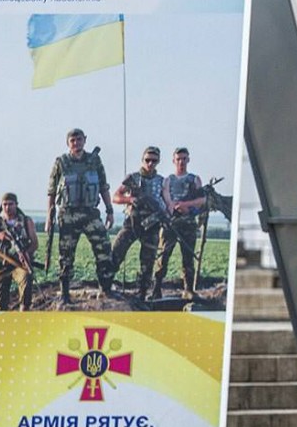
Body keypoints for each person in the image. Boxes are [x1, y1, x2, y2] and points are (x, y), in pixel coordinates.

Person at [47, 128, 115, 306]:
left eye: (79, 140)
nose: (76, 143)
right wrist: (49, 216)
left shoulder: (95, 161)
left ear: (85, 140)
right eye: (72, 140)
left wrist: (109, 210)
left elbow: (104, 186)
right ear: (68, 143)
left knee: (104, 249)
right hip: (68, 214)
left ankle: (106, 288)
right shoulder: (61, 162)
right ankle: (65, 292)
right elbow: (52, 191)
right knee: (66, 255)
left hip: (90, 213)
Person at [108, 146, 167, 300]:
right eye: (147, 160)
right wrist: (130, 199)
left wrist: (165, 213)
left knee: (148, 261)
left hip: (152, 224)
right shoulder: (133, 178)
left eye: (154, 160)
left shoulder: (162, 181)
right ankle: (106, 286)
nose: (150, 163)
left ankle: (142, 293)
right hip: (133, 221)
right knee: (117, 251)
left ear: (158, 161)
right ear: (142, 160)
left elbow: (167, 201)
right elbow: (116, 197)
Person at [151, 147, 205, 299]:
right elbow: (167, 200)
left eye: (184, 158)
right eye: (178, 158)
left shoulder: (194, 179)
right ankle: (156, 289)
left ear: (188, 160)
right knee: (163, 256)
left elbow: (201, 201)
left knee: (188, 258)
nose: (181, 161)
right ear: (174, 160)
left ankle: (188, 290)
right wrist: (174, 206)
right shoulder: (168, 180)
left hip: (188, 224)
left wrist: (186, 205)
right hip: (171, 224)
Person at [0, 192, 39, 311]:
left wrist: (26, 253)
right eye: (4, 204)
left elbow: (35, 243)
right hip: (1, 265)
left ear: (16, 205)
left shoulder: (26, 221)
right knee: (0, 305)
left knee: (26, 282)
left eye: (10, 204)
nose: (7, 207)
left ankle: (23, 318)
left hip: (19, 264)